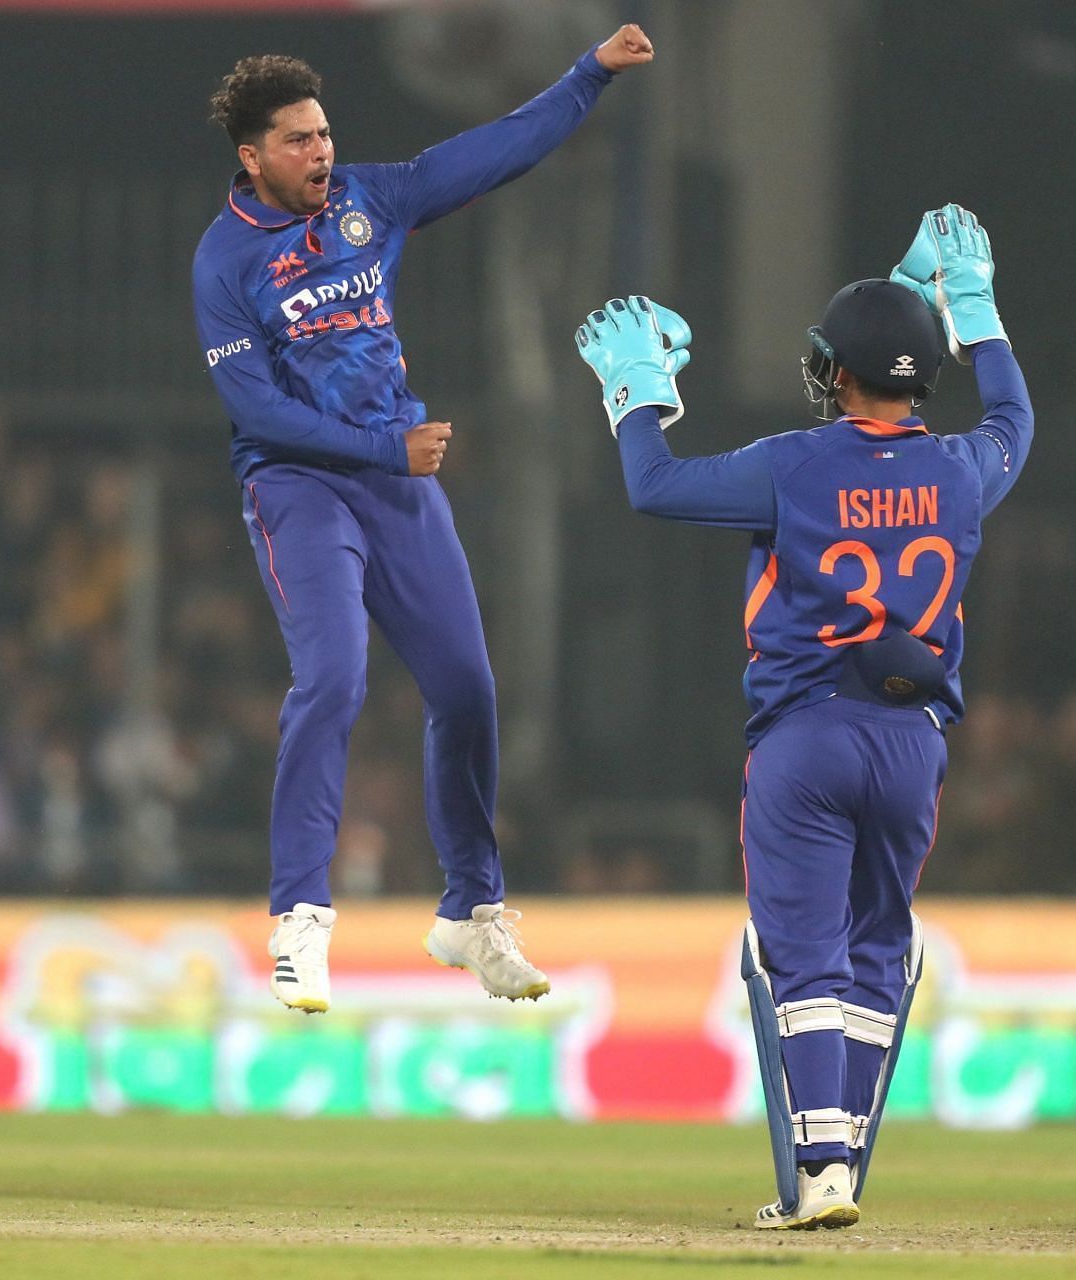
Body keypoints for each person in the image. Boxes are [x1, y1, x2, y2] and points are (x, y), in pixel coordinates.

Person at [574, 205, 1033, 1228]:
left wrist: (637, 391)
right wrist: (977, 305)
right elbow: (1016, 420)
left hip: (808, 733)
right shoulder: (964, 468)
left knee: (803, 953)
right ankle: (846, 1157)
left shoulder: (791, 464)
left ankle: (822, 1166)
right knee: (877, 945)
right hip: (914, 742)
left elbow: (654, 487)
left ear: (839, 373)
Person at [193, 21, 656, 1014]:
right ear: (252, 157)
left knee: (468, 687)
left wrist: (588, 76)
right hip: (300, 484)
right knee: (334, 679)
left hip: (396, 480)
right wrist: (381, 451)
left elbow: (492, 152)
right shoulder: (225, 261)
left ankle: (472, 913)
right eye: (297, 141)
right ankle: (300, 923)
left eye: (323, 135)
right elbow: (259, 412)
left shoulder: (369, 200)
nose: (320, 152)